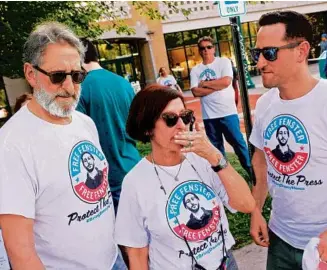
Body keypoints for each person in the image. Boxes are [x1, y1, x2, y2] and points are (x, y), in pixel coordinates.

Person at [0, 22, 121, 269]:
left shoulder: (85, 123)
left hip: (113, 259)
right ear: (31, 74)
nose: (69, 87)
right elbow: (20, 253)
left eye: (77, 76)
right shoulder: (12, 145)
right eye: (57, 77)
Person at [249, 11, 327, 270]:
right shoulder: (266, 105)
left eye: (270, 53)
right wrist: (256, 209)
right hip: (280, 240)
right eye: (257, 54)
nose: (260, 63)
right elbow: (261, 160)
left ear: (301, 51)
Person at [114, 84, 255, 269]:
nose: (181, 125)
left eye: (185, 116)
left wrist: (215, 156)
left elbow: (246, 204)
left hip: (225, 263)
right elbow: (137, 254)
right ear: (148, 128)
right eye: (170, 119)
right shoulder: (135, 182)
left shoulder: (203, 160)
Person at [77, 38, 141, 215]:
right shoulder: (123, 82)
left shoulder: (81, 88)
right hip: (134, 165)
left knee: (124, 238)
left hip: (108, 177)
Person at [190, 36, 251, 174]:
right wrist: (216, 85)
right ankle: (224, 177)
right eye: (202, 48)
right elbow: (195, 92)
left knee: (238, 144)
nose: (206, 50)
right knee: (216, 149)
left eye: (209, 47)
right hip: (209, 116)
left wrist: (205, 83)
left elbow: (226, 82)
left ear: (214, 48)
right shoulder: (195, 70)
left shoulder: (223, 62)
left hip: (227, 113)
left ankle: (252, 173)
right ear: (199, 51)